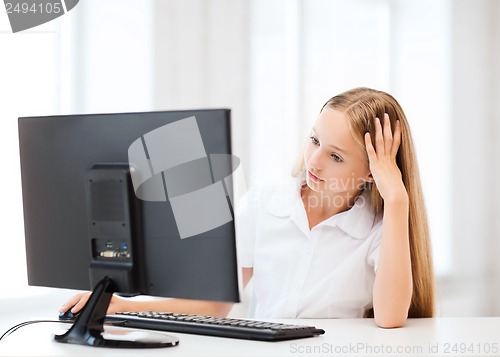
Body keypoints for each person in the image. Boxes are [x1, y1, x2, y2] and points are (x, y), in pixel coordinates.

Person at [60, 87, 435, 328]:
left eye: (335, 155)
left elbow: (390, 317)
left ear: (373, 173)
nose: (314, 162)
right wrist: (121, 308)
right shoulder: (266, 203)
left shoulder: (377, 228)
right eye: (314, 140)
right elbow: (215, 305)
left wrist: (397, 199)